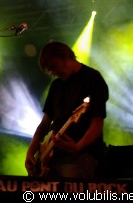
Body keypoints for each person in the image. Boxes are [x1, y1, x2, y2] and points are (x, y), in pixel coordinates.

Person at [25, 41, 109, 179]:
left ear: (66, 56)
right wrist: (31, 151)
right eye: (50, 70)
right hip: (51, 158)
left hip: (80, 157)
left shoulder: (92, 78)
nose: (54, 72)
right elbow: (45, 123)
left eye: (54, 66)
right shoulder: (56, 85)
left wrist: (77, 147)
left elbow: (97, 124)